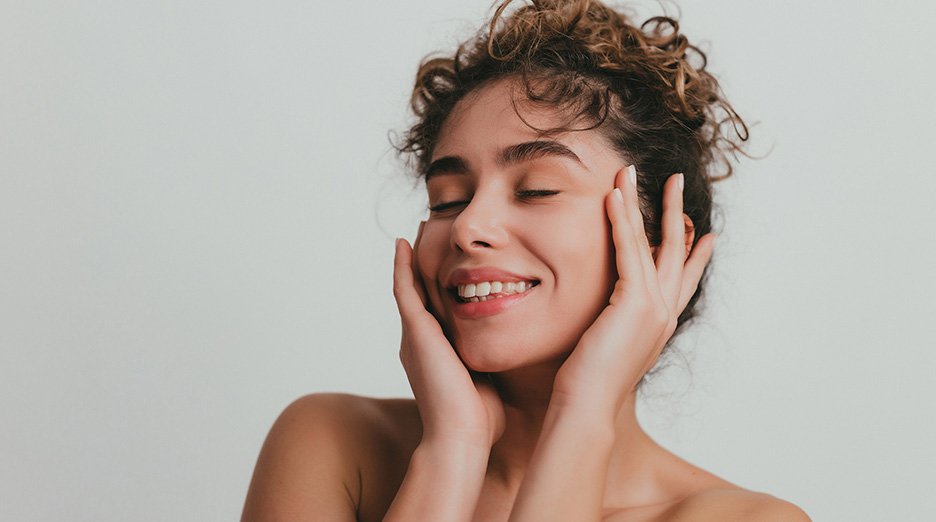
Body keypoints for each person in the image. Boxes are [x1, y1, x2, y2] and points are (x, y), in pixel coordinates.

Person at [242, 1, 811, 520]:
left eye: (537, 189)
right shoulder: (334, 444)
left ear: (660, 245)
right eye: (447, 200)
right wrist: (453, 449)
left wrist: (583, 411)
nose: (467, 228)